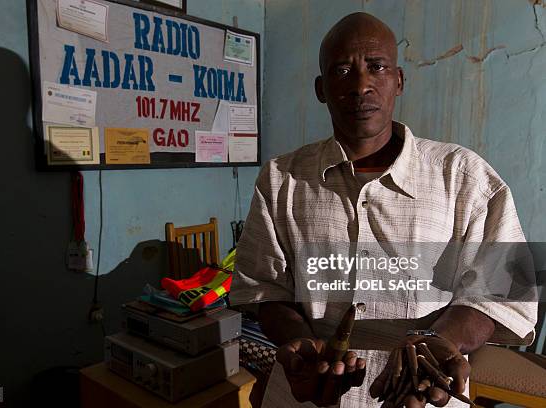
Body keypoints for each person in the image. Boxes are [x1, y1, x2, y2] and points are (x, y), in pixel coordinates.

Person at [229, 12, 537, 408]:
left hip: (424, 391)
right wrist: (297, 342)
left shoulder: (464, 176)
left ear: (399, 81)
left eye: (377, 67)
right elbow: (264, 288)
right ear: (321, 89)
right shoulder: (281, 178)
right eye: (342, 71)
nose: (361, 86)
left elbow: (501, 292)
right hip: (306, 390)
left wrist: (441, 341)